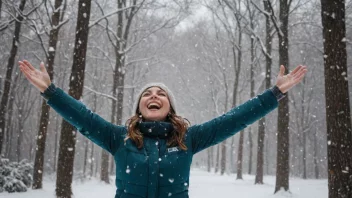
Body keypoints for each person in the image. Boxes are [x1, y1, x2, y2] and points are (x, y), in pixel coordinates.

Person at [18, 60, 307, 198]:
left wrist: (274, 95)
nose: (154, 96)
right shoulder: (119, 139)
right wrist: (51, 92)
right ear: (139, 106)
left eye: (161, 93)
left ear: (170, 106)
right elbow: (82, 116)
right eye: (147, 93)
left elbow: (233, 119)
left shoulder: (188, 139)